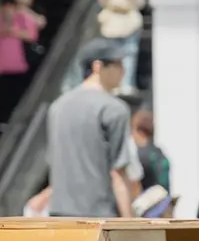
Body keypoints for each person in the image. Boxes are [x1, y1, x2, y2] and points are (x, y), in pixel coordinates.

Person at [46, 40, 134, 218]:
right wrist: (130, 222)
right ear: (98, 66)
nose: (123, 72)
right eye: (118, 64)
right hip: (99, 215)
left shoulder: (57, 106)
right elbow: (118, 172)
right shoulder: (113, 108)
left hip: (59, 214)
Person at [96, 0, 146, 94]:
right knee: (111, 54)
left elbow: (140, 1)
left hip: (129, 18)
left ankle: (127, 83)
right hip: (112, 19)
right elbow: (102, 0)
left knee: (130, 52)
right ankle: (112, 84)